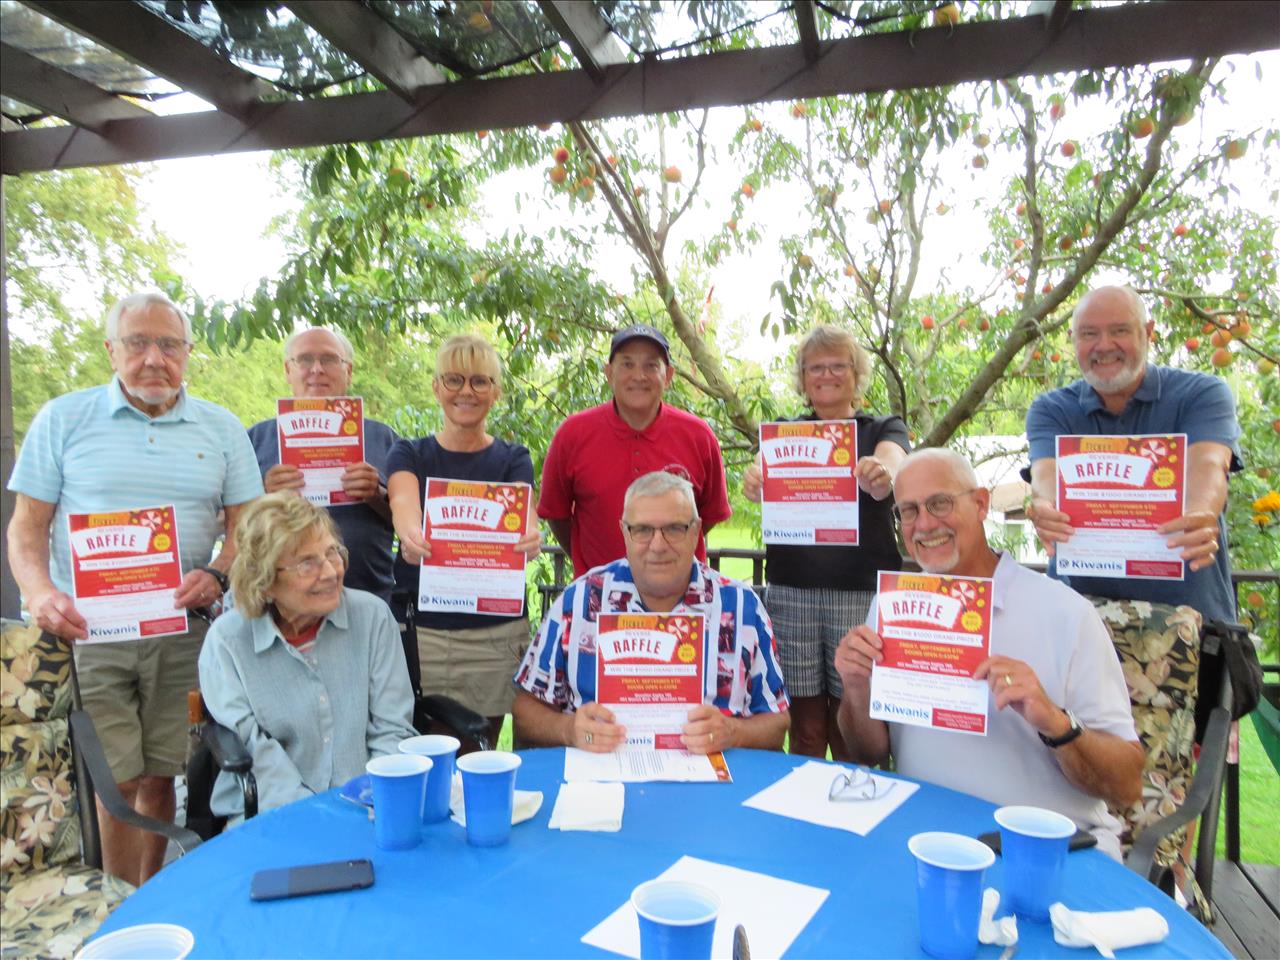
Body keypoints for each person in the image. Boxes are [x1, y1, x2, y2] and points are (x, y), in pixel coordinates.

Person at [6, 290, 263, 884]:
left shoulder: (221, 427)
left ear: (189, 353)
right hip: (93, 631)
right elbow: (27, 527)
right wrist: (41, 593)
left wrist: (219, 572)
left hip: (185, 629)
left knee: (163, 772)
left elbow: (246, 523)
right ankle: (118, 904)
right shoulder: (64, 419)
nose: (154, 358)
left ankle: (151, 892)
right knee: (115, 778)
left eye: (168, 344)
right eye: (138, 343)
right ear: (111, 350)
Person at [834, 448, 1143, 859]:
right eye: (908, 511)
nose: (925, 524)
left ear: (981, 504)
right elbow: (868, 752)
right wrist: (857, 689)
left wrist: (1052, 720)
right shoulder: (891, 608)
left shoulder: (1065, 613)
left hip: (1046, 847)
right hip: (924, 839)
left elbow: (1126, 785)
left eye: (940, 503)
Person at [514, 471, 790, 753]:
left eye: (674, 529)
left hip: (711, 781)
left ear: (695, 531)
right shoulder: (580, 600)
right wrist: (569, 730)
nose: (658, 546)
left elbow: (777, 722)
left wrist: (733, 732)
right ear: (624, 531)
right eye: (643, 530)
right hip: (601, 782)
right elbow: (525, 710)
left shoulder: (741, 606)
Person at [1025, 285, 1242, 625]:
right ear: (1073, 339)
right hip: (1080, 626)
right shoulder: (1051, 409)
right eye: (1089, 333)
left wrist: (1201, 513)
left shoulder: (1201, 394)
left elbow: (1210, 464)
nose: (1104, 345)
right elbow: (1046, 477)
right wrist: (1044, 509)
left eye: (1120, 330)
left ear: (1148, 333)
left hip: (1194, 628)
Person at [741, 325, 908, 760]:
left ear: (857, 373)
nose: (827, 374)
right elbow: (759, 469)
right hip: (792, 589)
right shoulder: (783, 433)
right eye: (816, 367)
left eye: (838, 365)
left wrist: (880, 474)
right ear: (802, 377)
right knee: (806, 726)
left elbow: (894, 466)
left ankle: (857, 805)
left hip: (858, 591)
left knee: (852, 719)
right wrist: (755, 479)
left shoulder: (882, 428)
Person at [197, 493, 416, 817]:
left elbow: (392, 728)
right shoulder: (228, 642)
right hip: (271, 815)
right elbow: (256, 753)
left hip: (367, 807)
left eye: (333, 553)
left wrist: (376, 801)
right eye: (307, 563)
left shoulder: (372, 617)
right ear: (265, 580)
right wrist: (314, 816)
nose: (329, 572)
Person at [387, 334, 541, 748]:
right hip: (427, 631)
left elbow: (525, 512)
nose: (466, 392)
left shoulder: (513, 458)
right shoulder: (409, 453)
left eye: (479, 381)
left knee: (481, 748)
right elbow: (402, 501)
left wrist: (529, 535)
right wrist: (410, 534)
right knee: (429, 748)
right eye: (454, 380)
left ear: (496, 392)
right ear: (437, 387)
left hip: (495, 629)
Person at [538, 323, 731, 578]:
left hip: (681, 599)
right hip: (599, 596)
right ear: (609, 373)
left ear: (669, 375)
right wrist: (591, 563)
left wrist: (668, 547)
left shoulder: (699, 436)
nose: (639, 376)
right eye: (627, 364)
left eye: (651, 365)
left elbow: (709, 514)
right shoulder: (572, 434)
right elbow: (556, 513)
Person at [246, 327, 399, 605]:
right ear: (287, 370)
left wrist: (376, 495)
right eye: (304, 359)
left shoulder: (383, 438)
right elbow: (230, 526)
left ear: (348, 371)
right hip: (280, 607)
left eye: (329, 359)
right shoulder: (254, 439)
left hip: (370, 599)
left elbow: (414, 528)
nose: (316, 369)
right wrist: (263, 495)